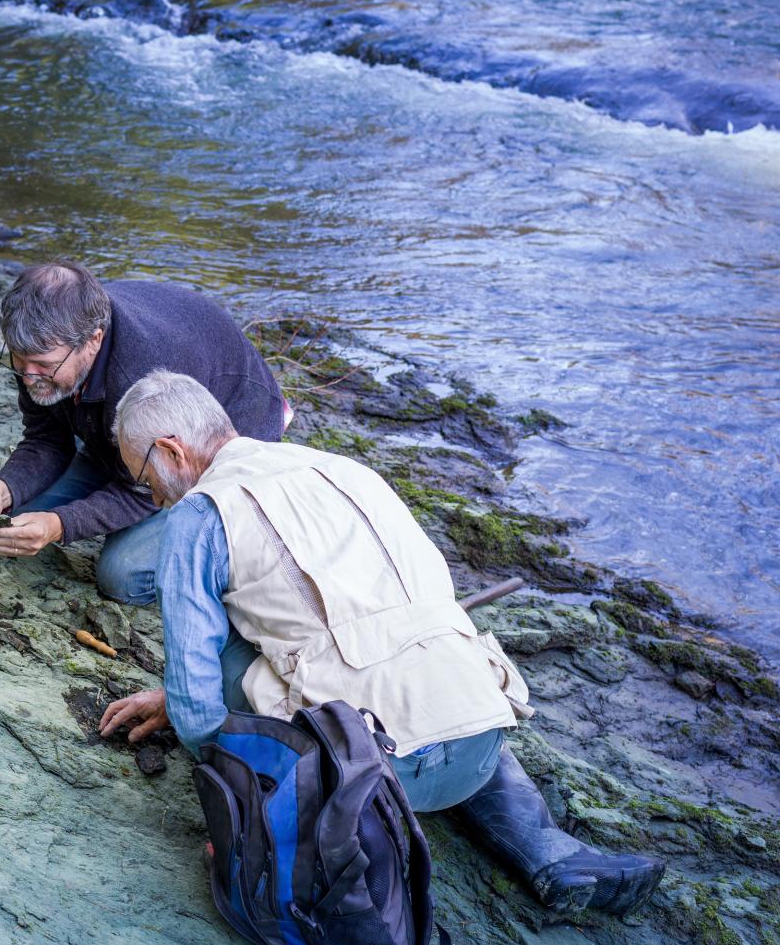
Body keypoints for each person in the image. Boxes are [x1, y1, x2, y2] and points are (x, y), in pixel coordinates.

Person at [99, 369, 665, 917]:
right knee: (432, 662)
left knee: (229, 631)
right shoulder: (342, 469)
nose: (150, 498)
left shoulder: (200, 515)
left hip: (369, 773)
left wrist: (221, 782)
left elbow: (198, 710)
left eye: (142, 476)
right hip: (480, 741)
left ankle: (288, 810)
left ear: (172, 451)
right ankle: (549, 850)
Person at [0, 261, 286, 604]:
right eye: (19, 362)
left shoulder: (143, 375)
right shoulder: (39, 349)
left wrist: (59, 524)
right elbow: (45, 439)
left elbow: (144, 489)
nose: (28, 376)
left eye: (43, 366)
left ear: (93, 340)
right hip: (122, 440)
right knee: (11, 526)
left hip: (206, 457)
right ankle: (107, 462)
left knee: (123, 574)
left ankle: (228, 552)